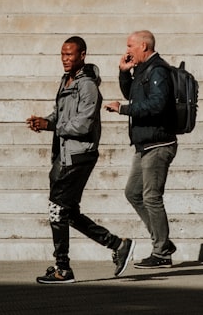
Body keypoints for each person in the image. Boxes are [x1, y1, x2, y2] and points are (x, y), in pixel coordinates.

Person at [26, 36, 134, 284]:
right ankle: (118, 245)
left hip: (79, 155)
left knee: (57, 209)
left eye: (70, 55)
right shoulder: (66, 81)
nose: (65, 59)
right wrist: (45, 123)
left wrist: (54, 126)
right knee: (67, 212)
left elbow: (84, 124)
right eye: (62, 55)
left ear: (82, 55)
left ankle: (62, 268)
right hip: (64, 155)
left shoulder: (87, 87)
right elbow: (61, 116)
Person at [103, 30, 178, 268]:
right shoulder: (143, 70)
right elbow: (132, 94)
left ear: (144, 46)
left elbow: (157, 104)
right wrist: (124, 73)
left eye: (130, 46)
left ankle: (162, 253)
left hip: (158, 143)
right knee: (133, 192)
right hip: (144, 144)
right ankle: (163, 240)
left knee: (151, 197)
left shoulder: (158, 70)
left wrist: (123, 109)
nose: (127, 51)